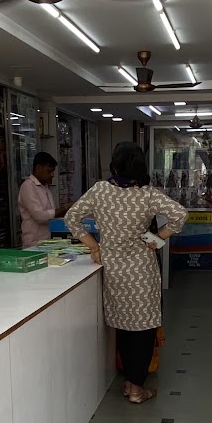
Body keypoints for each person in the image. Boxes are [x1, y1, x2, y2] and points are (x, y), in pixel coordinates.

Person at [64, 141, 187, 403]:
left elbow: (71, 218)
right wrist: (155, 238)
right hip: (142, 270)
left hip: (114, 269)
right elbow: (180, 214)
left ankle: (131, 383)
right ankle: (136, 388)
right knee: (142, 331)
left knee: (123, 327)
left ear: (115, 165)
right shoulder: (147, 194)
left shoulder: (100, 190)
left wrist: (94, 246)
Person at [18, 152, 62, 248]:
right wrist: (64, 209)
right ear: (38, 168)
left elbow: (50, 215)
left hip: (47, 241)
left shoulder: (45, 187)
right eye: (49, 171)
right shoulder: (28, 186)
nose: (52, 175)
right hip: (34, 243)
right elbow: (40, 216)